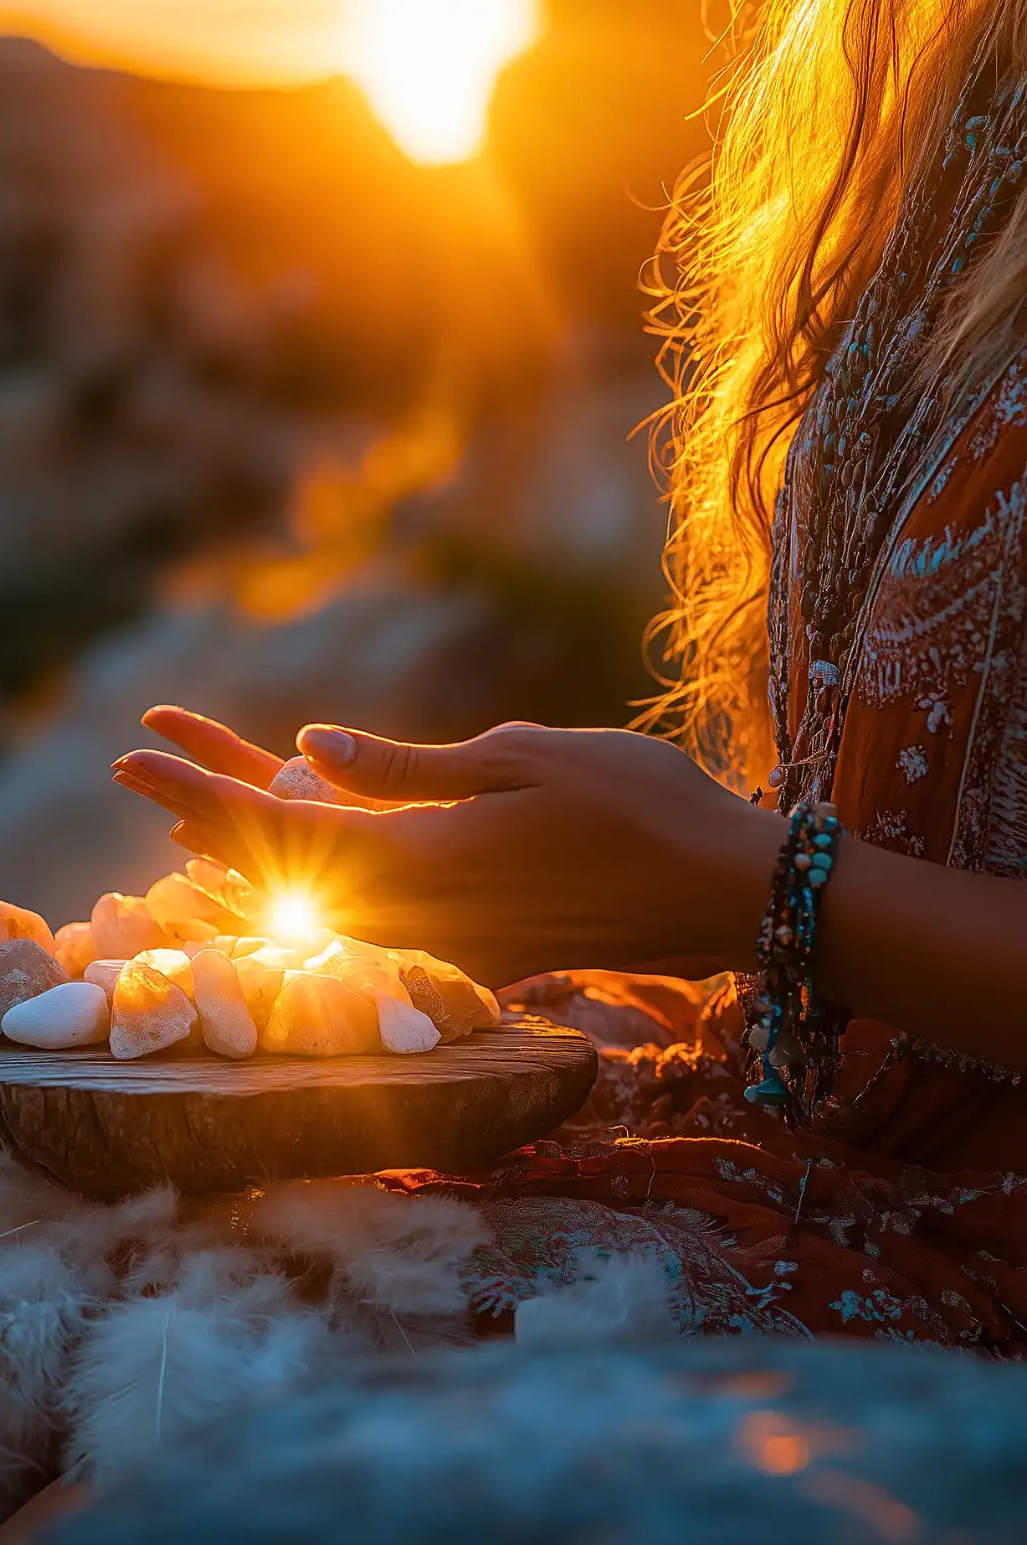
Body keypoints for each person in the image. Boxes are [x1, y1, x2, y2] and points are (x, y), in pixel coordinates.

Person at [114, 0, 1027, 1351]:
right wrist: (564, 888)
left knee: (143, 1381)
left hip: (971, 1253)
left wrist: (730, 881)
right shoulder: (944, 76)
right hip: (801, 1114)